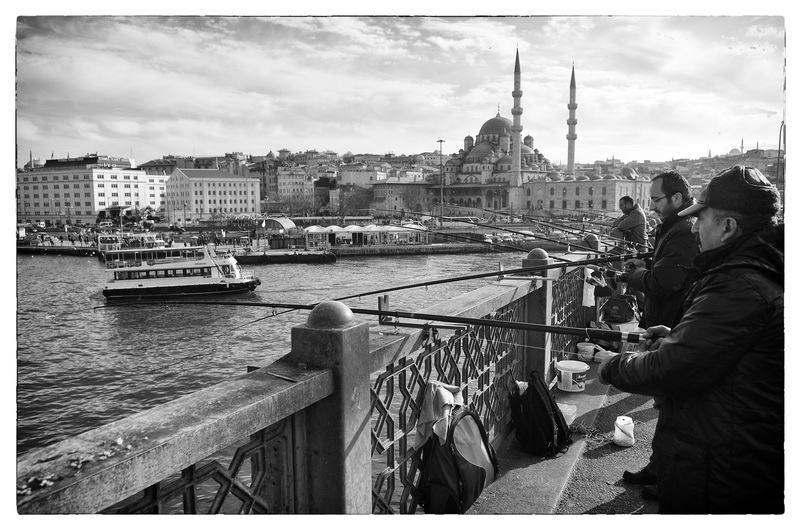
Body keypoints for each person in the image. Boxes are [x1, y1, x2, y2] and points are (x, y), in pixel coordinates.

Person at [598, 165, 783, 514]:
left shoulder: (740, 285)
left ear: (727, 227)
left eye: (703, 220)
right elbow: (727, 350)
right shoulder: (756, 272)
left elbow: (672, 369)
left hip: (723, 468)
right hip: (735, 450)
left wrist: (613, 366)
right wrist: (678, 337)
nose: (696, 227)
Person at [612, 172, 699, 499]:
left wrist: (633, 274)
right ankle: (658, 467)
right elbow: (669, 265)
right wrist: (646, 261)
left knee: (676, 404)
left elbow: (666, 282)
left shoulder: (685, 229)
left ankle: (669, 477)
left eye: (657, 199)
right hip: (669, 322)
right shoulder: (678, 226)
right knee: (668, 403)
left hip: (674, 323)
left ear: (677, 198)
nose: (651, 205)